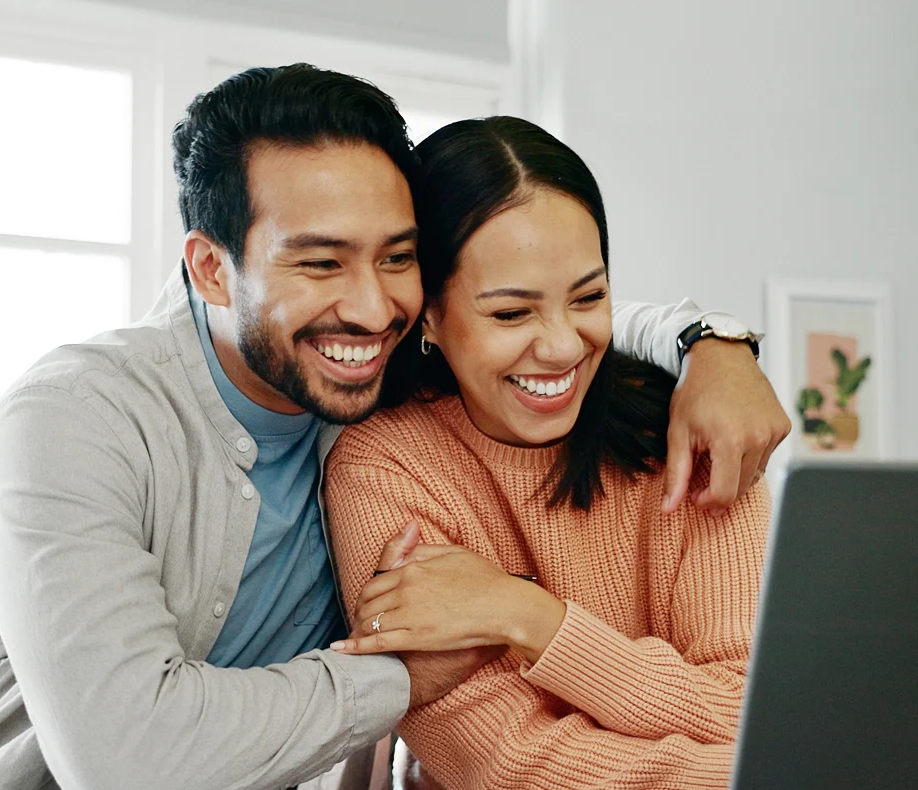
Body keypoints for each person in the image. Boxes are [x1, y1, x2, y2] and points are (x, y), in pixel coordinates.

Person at [0, 65, 787, 790]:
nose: (371, 307)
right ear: (210, 268)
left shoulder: (367, 378)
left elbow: (531, 310)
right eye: (321, 262)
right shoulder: (80, 418)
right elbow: (129, 764)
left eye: (396, 257)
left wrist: (713, 343)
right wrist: (408, 680)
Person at [323, 116, 769, 788]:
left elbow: (751, 711)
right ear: (431, 315)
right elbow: (505, 763)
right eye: (511, 313)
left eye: (588, 297)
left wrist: (526, 616)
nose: (563, 346)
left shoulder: (694, 436)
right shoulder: (383, 469)